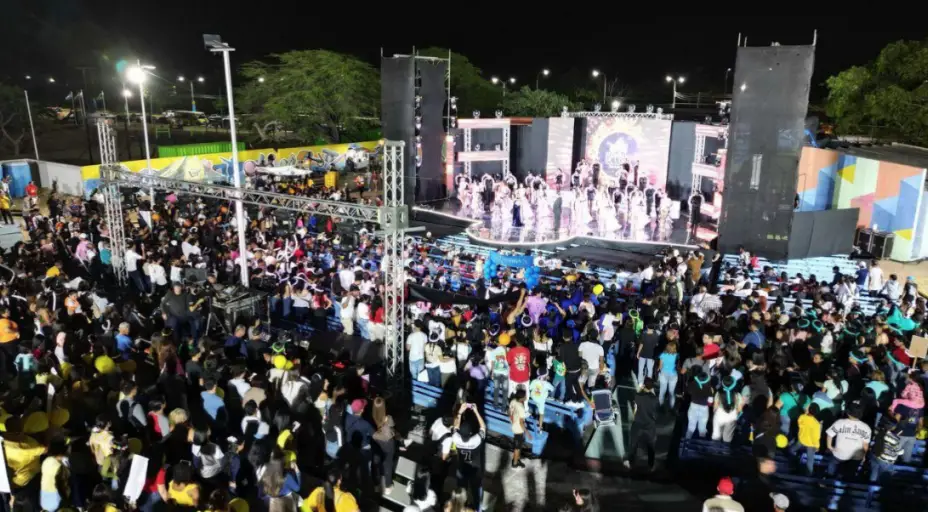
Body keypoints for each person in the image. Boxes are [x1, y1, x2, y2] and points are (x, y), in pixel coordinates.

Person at [825, 405, 871, 478]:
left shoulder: (840, 422)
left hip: (839, 454)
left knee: (832, 469)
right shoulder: (866, 427)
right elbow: (865, 444)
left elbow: (830, 434)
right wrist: (864, 456)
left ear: (848, 413)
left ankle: (829, 481)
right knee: (849, 476)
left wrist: (829, 447)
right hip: (855, 457)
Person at [624, 377, 658, 471]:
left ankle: (630, 463)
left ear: (644, 385)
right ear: (652, 387)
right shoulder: (655, 399)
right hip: (649, 425)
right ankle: (651, 465)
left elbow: (636, 401)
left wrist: (641, 389)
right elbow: (655, 410)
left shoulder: (638, 396)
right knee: (651, 446)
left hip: (638, 423)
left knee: (633, 444)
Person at [509, 388, 528, 469]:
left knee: (518, 446)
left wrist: (512, 420)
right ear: (522, 398)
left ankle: (517, 459)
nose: (526, 396)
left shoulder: (513, 401)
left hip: (514, 425)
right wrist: (527, 432)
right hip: (518, 429)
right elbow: (521, 422)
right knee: (517, 447)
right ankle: (515, 463)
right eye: (525, 395)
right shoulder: (521, 408)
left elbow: (509, 412)